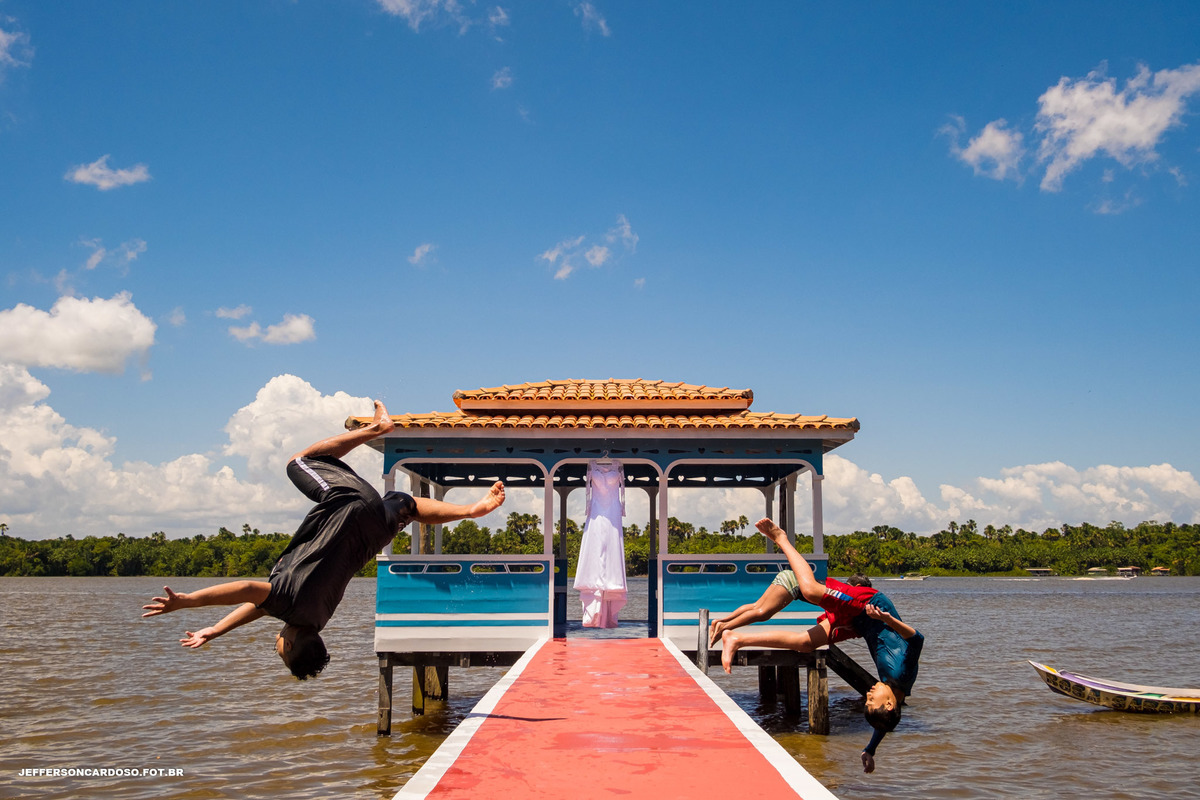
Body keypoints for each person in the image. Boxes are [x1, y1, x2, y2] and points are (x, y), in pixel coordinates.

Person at [142, 400, 506, 680]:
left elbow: (260, 607)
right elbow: (248, 590)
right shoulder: (288, 605)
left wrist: (214, 631)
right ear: (290, 643)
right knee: (299, 461)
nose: (277, 646)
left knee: (405, 506)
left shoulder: (316, 617)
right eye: (281, 651)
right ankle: (379, 428)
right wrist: (188, 602)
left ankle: (471, 510)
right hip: (346, 511)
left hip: (370, 534)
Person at [719, 518, 924, 774]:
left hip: (859, 623)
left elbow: (884, 723)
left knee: (806, 644)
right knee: (812, 590)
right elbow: (918, 640)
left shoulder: (893, 699)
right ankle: (781, 538)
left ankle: (737, 638)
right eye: (873, 699)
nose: (869, 695)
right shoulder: (901, 676)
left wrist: (870, 750)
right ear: (889, 704)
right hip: (872, 606)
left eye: (867, 701)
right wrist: (886, 618)